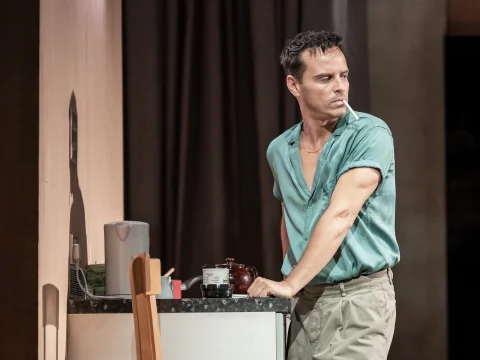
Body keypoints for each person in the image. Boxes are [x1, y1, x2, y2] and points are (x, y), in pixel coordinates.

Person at [247, 30, 399, 359]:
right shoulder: (279, 150)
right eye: (326, 78)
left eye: (343, 76)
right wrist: (292, 282)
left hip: (358, 300)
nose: (340, 86)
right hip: (306, 305)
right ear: (294, 85)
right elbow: (290, 218)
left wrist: (289, 284)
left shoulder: (369, 134)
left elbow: (341, 215)